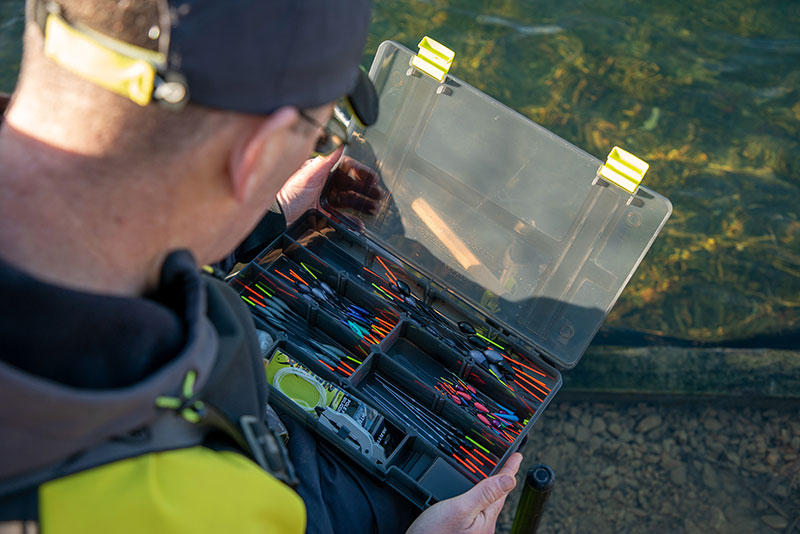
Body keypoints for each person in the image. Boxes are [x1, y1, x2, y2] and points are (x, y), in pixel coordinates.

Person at [0, 0, 523, 532]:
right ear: (257, 154)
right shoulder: (204, 514)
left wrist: (264, 214)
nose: (322, 145)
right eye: (321, 134)